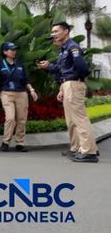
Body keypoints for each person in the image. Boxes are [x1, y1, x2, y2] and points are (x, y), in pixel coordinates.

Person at [37, 21, 98, 163]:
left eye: (56, 31)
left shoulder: (73, 47)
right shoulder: (64, 50)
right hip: (67, 85)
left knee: (79, 119)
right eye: (53, 32)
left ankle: (89, 151)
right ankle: (77, 147)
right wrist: (49, 68)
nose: (54, 34)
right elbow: (60, 69)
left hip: (73, 84)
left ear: (66, 31)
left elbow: (82, 68)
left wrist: (74, 81)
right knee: (71, 121)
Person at [0, 42, 39, 152]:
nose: (14, 51)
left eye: (15, 49)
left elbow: (26, 79)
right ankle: (5, 142)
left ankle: (20, 143)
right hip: (6, 94)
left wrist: (32, 90)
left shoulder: (19, 64)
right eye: (11, 49)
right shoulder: (0, 64)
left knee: (22, 119)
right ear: (5, 52)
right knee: (10, 118)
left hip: (21, 94)